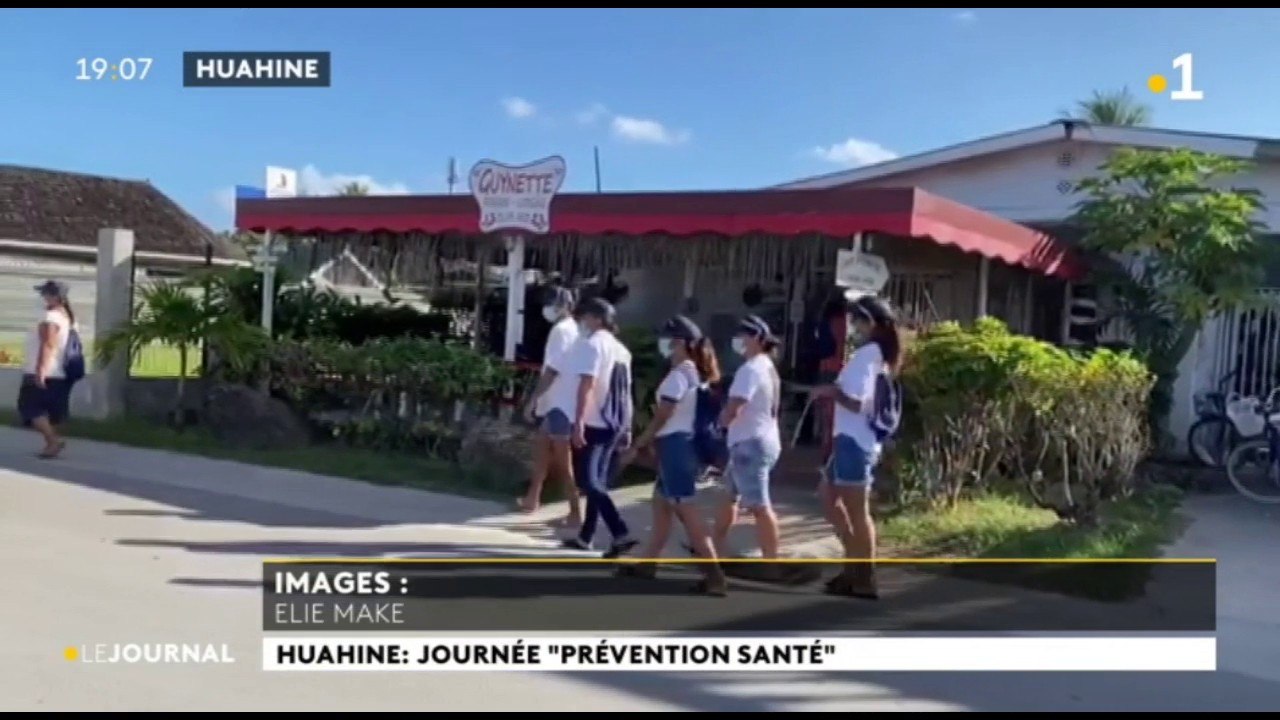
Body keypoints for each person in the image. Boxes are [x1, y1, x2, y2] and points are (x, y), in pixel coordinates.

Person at [618, 315, 727, 596]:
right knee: (661, 504)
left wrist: (638, 445)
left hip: (677, 446)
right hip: (680, 445)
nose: (662, 344)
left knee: (686, 510)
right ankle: (648, 563)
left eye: (667, 339)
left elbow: (663, 417)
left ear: (679, 342)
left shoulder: (680, 375)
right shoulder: (693, 371)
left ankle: (714, 574)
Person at [811, 295, 901, 599]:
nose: (854, 326)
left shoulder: (868, 356)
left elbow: (859, 403)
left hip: (855, 441)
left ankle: (863, 577)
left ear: (871, 322)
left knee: (856, 512)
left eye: (859, 320)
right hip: (848, 439)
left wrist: (830, 392)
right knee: (829, 497)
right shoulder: (873, 355)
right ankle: (853, 567)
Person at [558, 298, 638, 558]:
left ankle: (620, 531)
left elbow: (587, 385)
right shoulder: (621, 350)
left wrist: (578, 421)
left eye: (584, 318)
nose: (582, 323)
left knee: (589, 481)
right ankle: (586, 536)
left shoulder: (593, 345)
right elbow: (626, 393)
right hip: (614, 423)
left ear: (595, 318)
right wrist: (627, 426)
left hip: (595, 421)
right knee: (598, 481)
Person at [712, 315, 783, 562]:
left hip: (750, 444)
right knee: (728, 496)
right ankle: (714, 548)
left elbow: (736, 406)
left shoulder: (750, 369)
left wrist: (720, 423)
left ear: (755, 339)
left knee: (758, 505)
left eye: (742, 336)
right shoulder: (767, 367)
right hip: (758, 440)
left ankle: (772, 560)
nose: (738, 341)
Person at [520, 287, 583, 527]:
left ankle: (575, 510)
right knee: (541, 451)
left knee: (562, 461)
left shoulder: (560, 331)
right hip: (560, 402)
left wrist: (533, 398)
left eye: (553, 304)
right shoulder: (573, 330)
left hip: (559, 405)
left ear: (564, 306)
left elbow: (552, 370)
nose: (548, 308)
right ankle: (532, 498)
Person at [18, 281, 76, 459]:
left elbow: (48, 344)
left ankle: (52, 441)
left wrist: (40, 370)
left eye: (45, 294)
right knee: (47, 410)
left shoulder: (50, 318)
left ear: (55, 296)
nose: (43, 297)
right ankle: (51, 442)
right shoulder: (66, 318)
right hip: (59, 372)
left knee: (29, 408)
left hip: (45, 371)